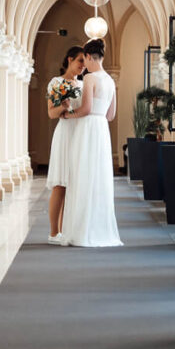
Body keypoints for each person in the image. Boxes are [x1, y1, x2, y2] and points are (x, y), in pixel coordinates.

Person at [57, 38, 122, 248]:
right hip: (102, 130)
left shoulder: (90, 79)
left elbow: (85, 109)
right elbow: (111, 115)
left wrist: (68, 115)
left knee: (82, 176)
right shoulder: (111, 81)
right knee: (99, 177)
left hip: (87, 130)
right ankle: (100, 228)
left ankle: (81, 231)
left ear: (87, 56)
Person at [46, 46, 85, 242]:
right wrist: (64, 105)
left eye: (85, 63)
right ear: (70, 59)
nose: (83, 66)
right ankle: (54, 232)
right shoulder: (57, 82)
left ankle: (68, 230)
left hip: (80, 134)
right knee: (60, 184)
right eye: (80, 61)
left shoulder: (84, 85)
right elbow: (51, 113)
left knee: (75, 184)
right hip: (64, 134)